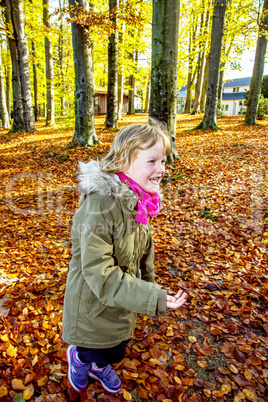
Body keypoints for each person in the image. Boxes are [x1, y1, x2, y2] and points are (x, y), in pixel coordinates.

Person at [62, 121, 187, 394]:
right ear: (123, 161)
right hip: (93, 303)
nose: (162, 169)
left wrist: (151, 287)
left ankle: (96, 365)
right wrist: (150, 297)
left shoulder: (138, 201)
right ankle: (81, 359)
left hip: (121, 298)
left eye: (163, 161)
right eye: (152, 160)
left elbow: (144, 250)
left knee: (116, 347)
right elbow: (100, 271)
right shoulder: (101, 205)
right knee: (100, 347)